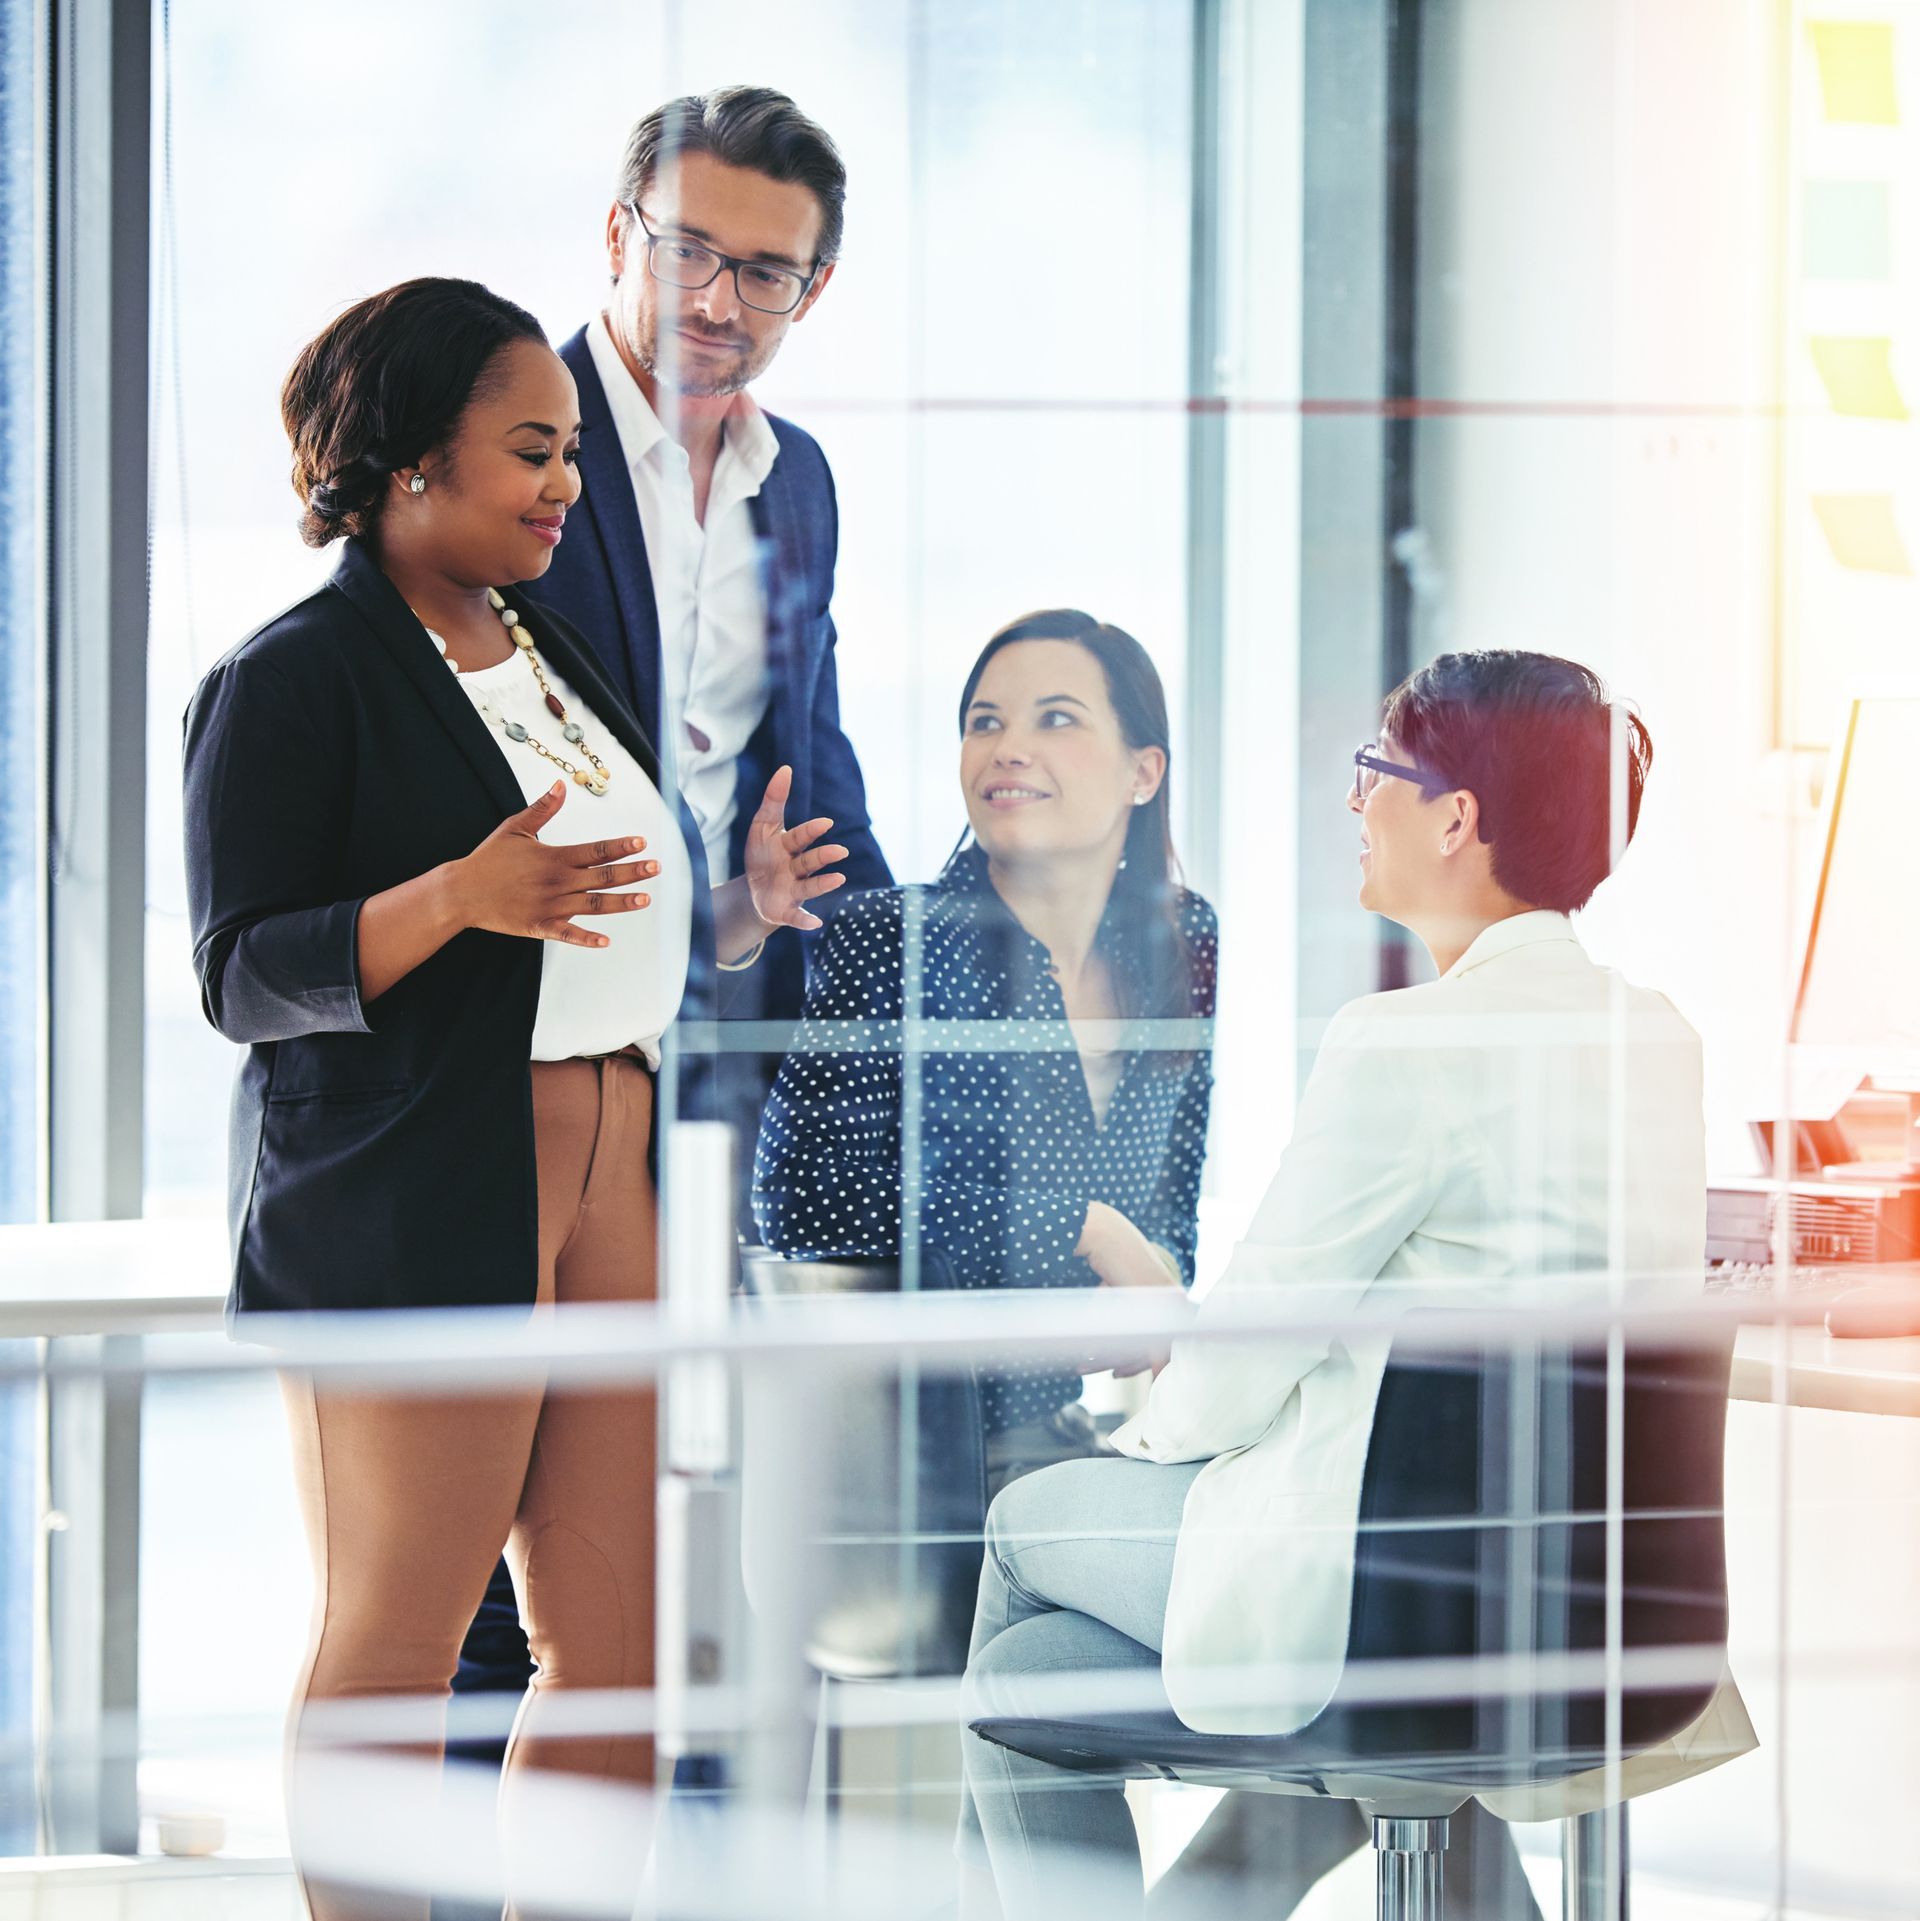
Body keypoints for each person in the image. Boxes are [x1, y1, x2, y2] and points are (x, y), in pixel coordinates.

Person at [181, 277, 845, 1921]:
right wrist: (449, 902)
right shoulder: (295, 677)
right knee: (399, 1642)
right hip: (420, 1185)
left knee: (613, 1649)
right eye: (531, 452)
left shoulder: (548, 647)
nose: (565, 486)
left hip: (614, 1154)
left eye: (566, 452)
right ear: (410, 461)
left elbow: (600, 902)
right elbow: (241, 972)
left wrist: (732, 907)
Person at [955, 651, 1753, 1921]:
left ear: (1454, 817)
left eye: (1376, 771)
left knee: (1019, 1534)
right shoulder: (1656, 1036)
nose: (1354, 802)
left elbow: (1249, 1358)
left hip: (1395, 1604)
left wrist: (1159, 1390)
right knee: (1025, 1675)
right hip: (1586, 1609)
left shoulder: (1407, 1045)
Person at [455, 86, 893, 1744]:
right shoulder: (517, 438)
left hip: (711, 1050)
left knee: (641, 1481)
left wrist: (889, 950)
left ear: (813, 292)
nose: (718, 304)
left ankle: (643, 1800)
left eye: (764, 274)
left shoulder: (800, 480)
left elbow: (810, 733)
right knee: (500, 1487)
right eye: (687, 251)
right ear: (617, 237)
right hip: (530, 1030)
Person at [753, 609, 1217, 1483]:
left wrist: (1151, 1273)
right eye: (985, 722)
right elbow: (802, 1198)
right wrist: (1082, 1229)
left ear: (1142, 772)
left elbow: (1173, 1191)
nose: (1007, 747)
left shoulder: (1183, 939)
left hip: (1069, 1431)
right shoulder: (894, 938)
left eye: (1056, 718)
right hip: (902, 1449)